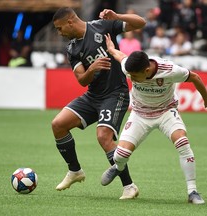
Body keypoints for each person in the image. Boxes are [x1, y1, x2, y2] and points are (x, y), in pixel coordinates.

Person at [101, 33, 207, 204]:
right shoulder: (129, 67)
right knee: (121, 155)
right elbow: (121, 56)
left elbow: (195, 77)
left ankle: (192, 192)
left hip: (166, 111)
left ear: (147, 70)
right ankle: (117, 167)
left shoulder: (170, 70)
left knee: (183, 143)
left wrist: (206, 99)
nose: (131, 79)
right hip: (140, 114)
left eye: (135, 76)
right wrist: (111, 49)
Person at [52, 7, 146, 199]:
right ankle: (75, 171)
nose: (59, 33)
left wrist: (118, 16)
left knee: (104, 137)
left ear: (70, 22)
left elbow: (141, 23)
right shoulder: (72, 48)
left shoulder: (103, 27)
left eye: (60, 28)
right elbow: (82, 80)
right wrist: (92, 69)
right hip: (93, 96)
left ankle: (129, 186)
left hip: (115, 93)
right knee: (58, 125)